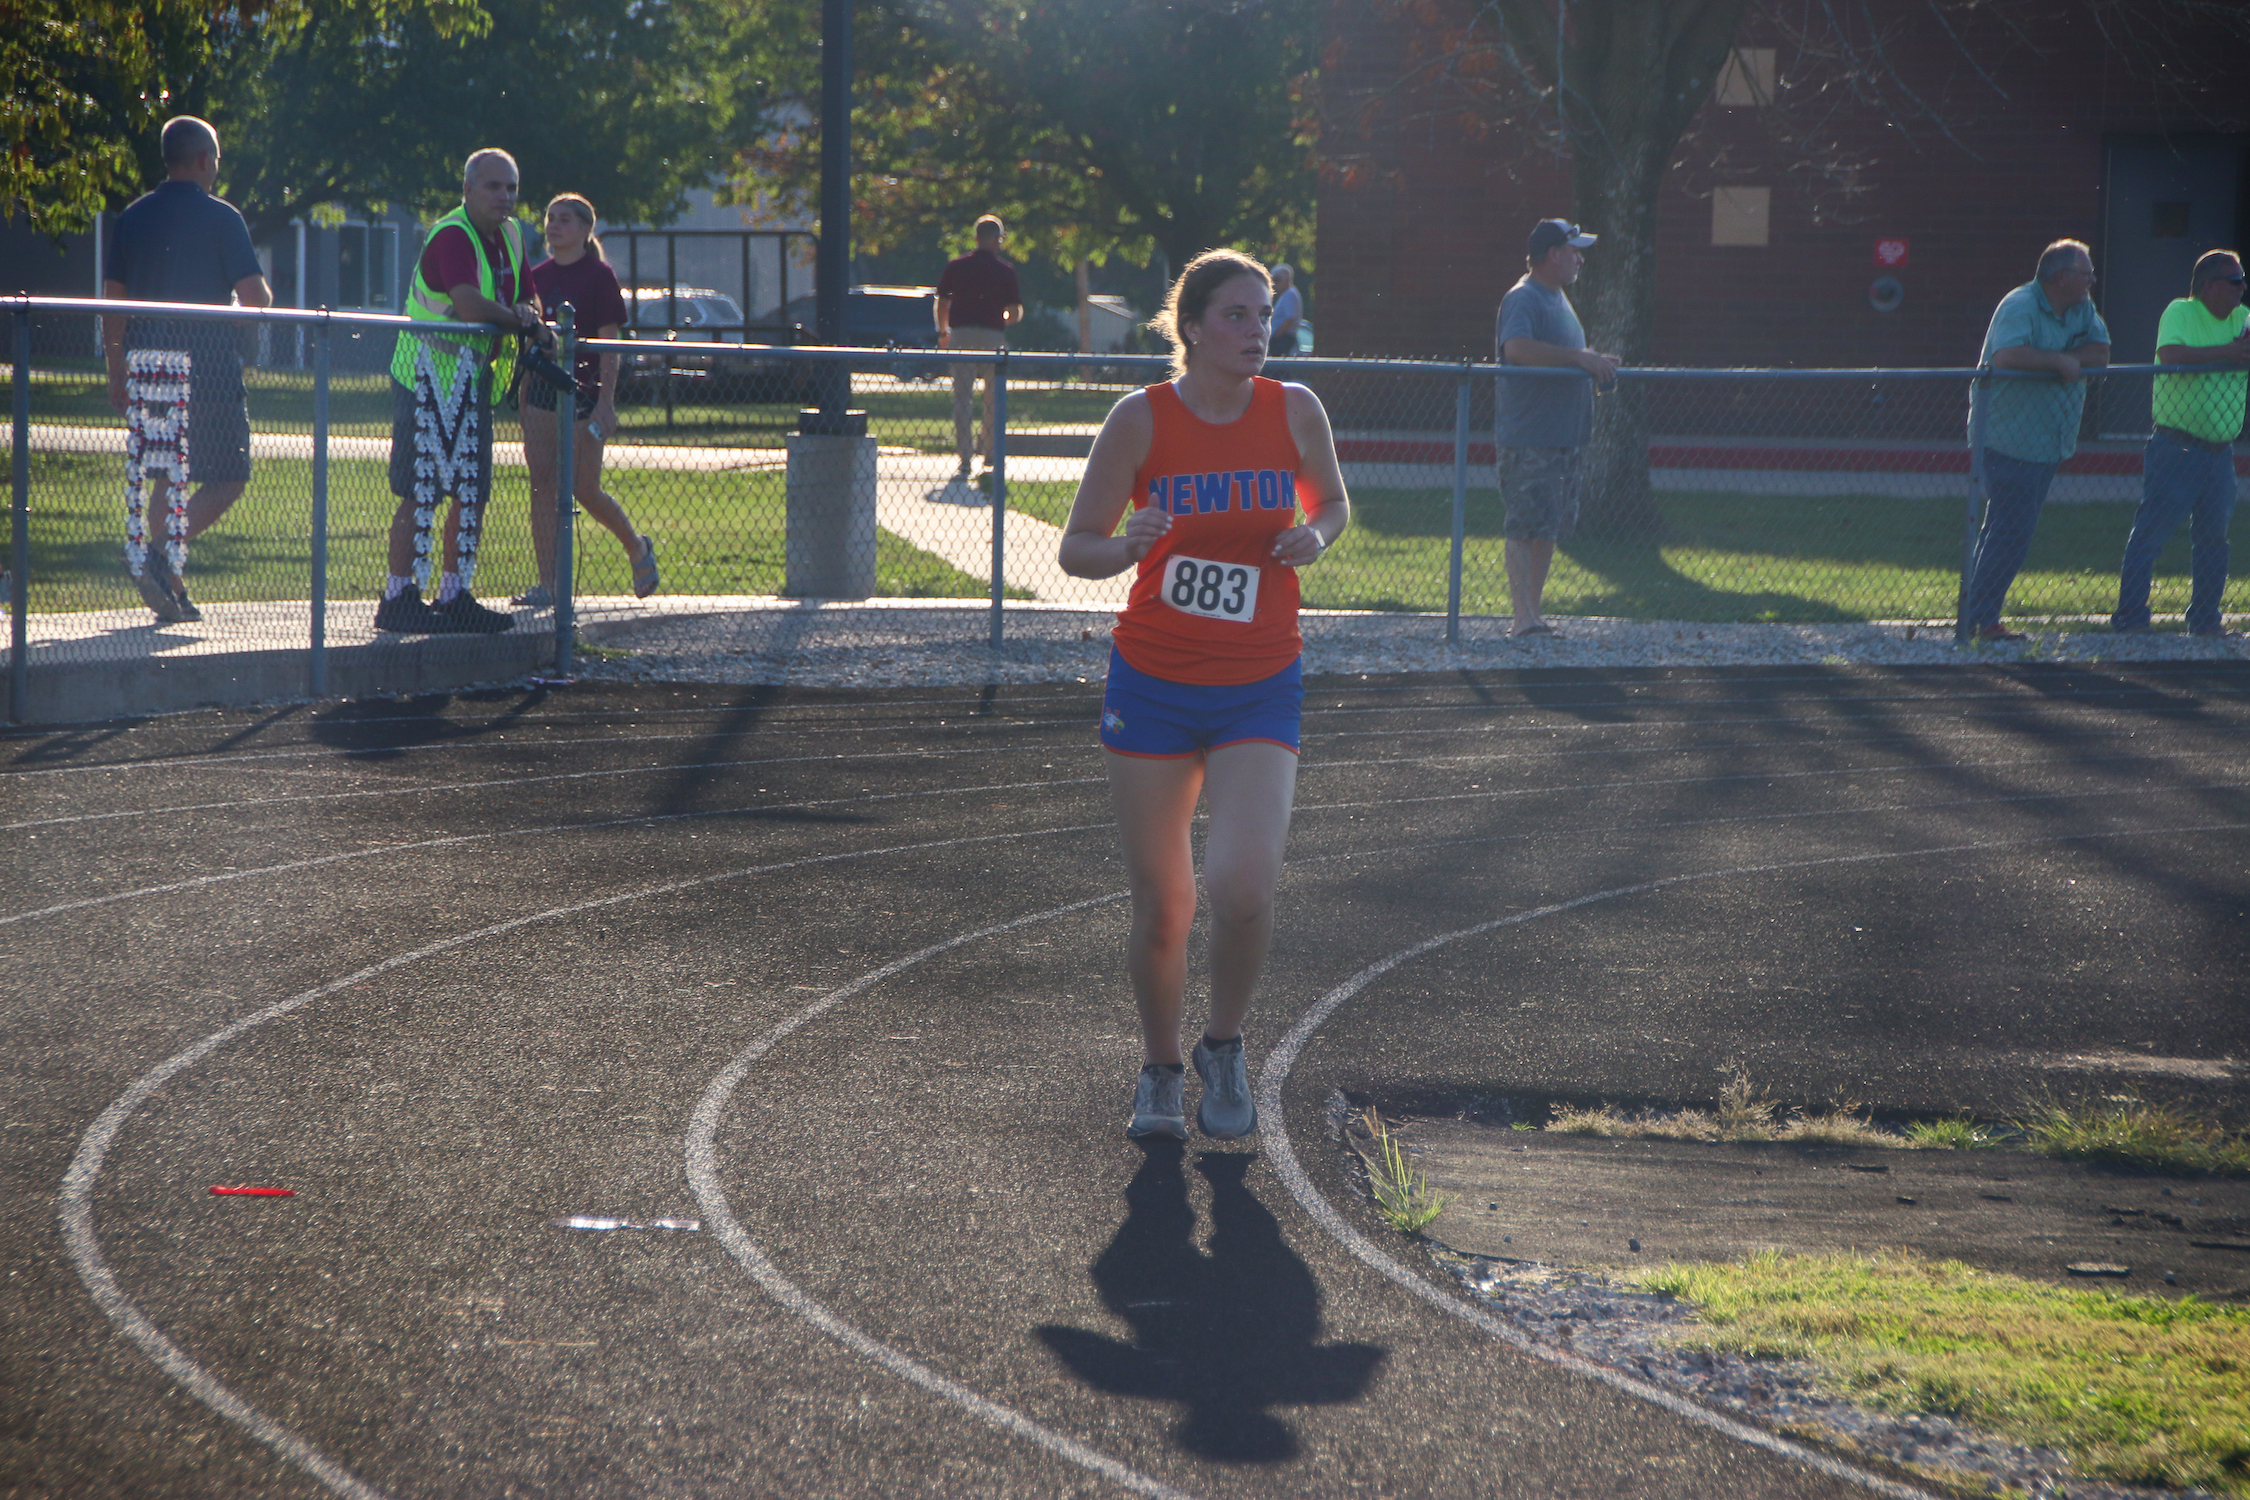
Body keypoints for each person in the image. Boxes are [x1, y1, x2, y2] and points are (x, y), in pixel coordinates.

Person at [1057, 250, 1351, 1142]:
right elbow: (1077, 547)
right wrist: (1129, 543)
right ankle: (1159, 1067)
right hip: (1153, 682)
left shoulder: (1295, 410)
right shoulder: (1139, 420)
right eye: (1236, 315)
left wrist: (1315, 537)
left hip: (1259, 681)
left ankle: (1222, 1044)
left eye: (1264, 314)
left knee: (1244, 886)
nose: (1259, 330)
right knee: (1164, 908)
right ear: (1191, 328)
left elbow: (1333, 505)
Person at [101, 115, 274, 624]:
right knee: (230, 477)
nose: (216, 168)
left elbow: (113, 302)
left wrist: (116, 369)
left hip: (147, 364)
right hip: (209, 368)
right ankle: (156, 555)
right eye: (216, 158)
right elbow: (255, 298)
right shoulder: (223, 218)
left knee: (166, 475)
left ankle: (171, 589)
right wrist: (254, 303)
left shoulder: (132, 217)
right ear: (203, 160)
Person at [376, 148, 549, 634]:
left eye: (511, 187)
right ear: (468, 189)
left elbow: (528, 295)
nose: (505, 196)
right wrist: (520, 320)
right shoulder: (452, 234)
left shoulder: (511, 235)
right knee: (421, 491)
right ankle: (398, 597)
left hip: (471, 381)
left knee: (472, 491)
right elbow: (469, 304)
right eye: (494, 186)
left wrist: (530, 312)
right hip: (425, 376)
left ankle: (454, 594)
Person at [1962, 239, 2111, 643]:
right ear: (2061, 277)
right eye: (2086, 274)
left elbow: (2101, 352)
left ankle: (1975, 615)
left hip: (2050, 438)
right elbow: (2007, 356)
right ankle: (1980, 619)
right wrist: (2059, 360)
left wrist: (2068, 359)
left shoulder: (2082, 308)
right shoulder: (2020, 304)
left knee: (2005, 527)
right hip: (2007, 437)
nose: (2092, 281)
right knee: (2012, 529)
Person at [516, 193, 658, 607]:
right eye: (550, 218)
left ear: (584, 229)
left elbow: (610, 346)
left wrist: (605, 402)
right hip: (542, 394)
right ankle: (548, 584)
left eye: (564, 219)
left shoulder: (599, 276)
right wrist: (523, 401)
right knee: (542, 485)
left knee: (583, 487)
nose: (554, 225)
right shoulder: (535, 277)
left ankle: (637, 547)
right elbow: (528, 345)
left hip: (584, 394)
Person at [2110, 249, 2250, 637]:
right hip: (2177, 447)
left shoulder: (2243, 318)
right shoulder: (2181, 311)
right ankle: (2131, 618)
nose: (2241, 288)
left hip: (2220, 453)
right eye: (2234, 281)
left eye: (2242, 281)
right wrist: (2227, 352)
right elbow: (2171, 354)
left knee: (2214, 541)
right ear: (2209, 285)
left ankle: (2204, 620)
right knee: (2151, 535)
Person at [1493, 218, 1619, 639]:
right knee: (1525, 525)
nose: (1580, 260)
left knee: (1548, 528)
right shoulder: (1523, 297)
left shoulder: (1557, 297)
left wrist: (1591, 360)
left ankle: (1534, 614)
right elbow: (1517, 348)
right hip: (1531, 438)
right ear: (1553, 254)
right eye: (1574, 252)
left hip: (1564, 436)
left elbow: (1561, 353)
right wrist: (1577, 358)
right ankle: (1521, 618)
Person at [934, 215, 1023, 480]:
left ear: (975, 238)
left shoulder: (957, 266)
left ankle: (965, 457)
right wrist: (1002, 318)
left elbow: (942, 301)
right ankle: (990, 452)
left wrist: (943, 331)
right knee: (994, 398)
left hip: (961, 335)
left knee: (962, 398)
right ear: (998, 239)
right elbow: (1014, 311)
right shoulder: (1005, 271)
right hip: (993, 337)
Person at [1268, 263, 1303, 358]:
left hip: (1283, 339)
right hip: (1282, 338)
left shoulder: (1290, 295)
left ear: (1287, 279)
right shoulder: (1286, 295)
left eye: (1277, 280)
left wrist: (1275, 337)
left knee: (1277, 365)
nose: (1274, 284)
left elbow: (1289, 319)